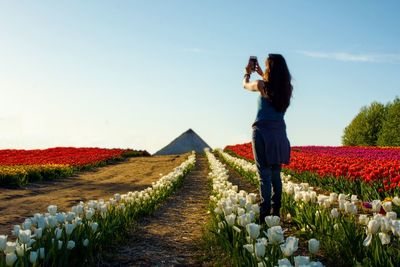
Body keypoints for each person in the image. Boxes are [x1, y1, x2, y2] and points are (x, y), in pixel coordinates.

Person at [242, 54, 292, 222]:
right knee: (276, 174)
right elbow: (273, 86)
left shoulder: (261, 85)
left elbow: (245, 86)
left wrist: (247, 73)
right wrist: (261, 72)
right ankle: (276, 213)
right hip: (279, 134)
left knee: (264, 174)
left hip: (262, 132)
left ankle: (264, 215)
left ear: (270, 69)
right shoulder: (286, 89)